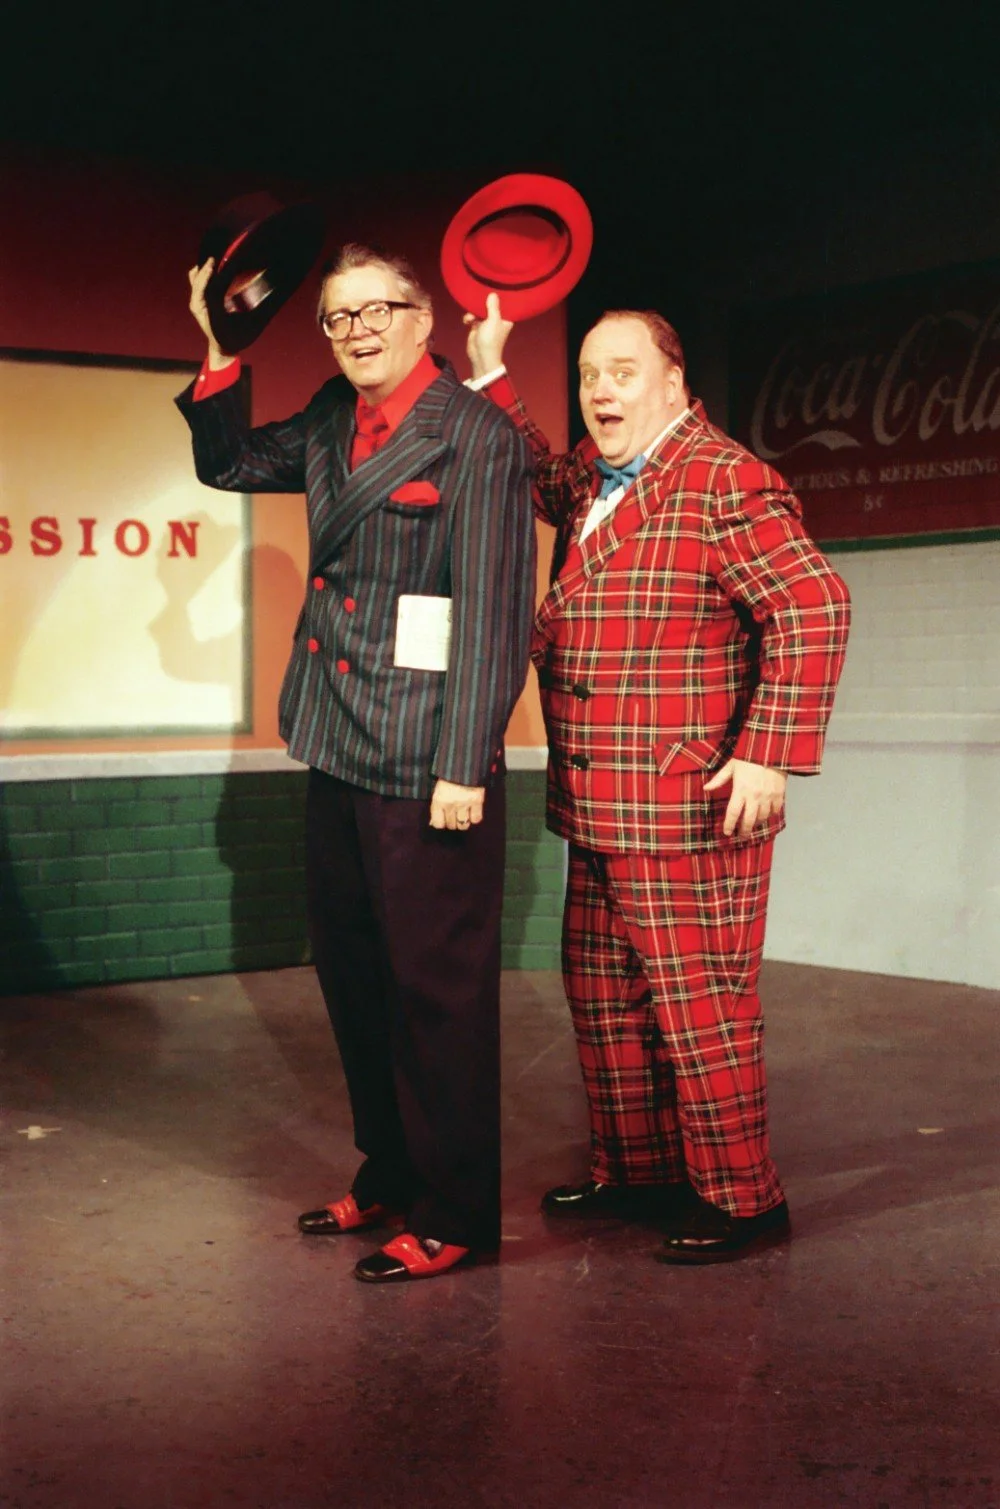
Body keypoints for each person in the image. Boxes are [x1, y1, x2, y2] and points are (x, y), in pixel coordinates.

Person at [465, 294, 851, 1264]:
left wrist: (768, 749)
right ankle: (636, 1168)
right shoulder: (598, 472)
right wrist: (491, 369)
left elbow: (813, 606)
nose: (600, 389)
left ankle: (739, 1196)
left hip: (686, 804)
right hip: (599, 801)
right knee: (601, 996)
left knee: (697, 1005)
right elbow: (540, 475)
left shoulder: (723, 478)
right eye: (589, 374)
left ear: (675, 382)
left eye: (622, 371)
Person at [178, 247, 536, 1282]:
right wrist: (217, 348)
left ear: (423, 320)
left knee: (437, 992)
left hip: (428, 752)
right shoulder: (334, 413)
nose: (357, 328)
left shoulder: (473, 434)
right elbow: (230, 465)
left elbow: (493, 611)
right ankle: (389, 1172)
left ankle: (458, 1210)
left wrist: (466, 763)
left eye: (377, 309)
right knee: (354, 977)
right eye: (338, 317)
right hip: (334, 736)